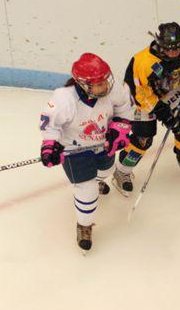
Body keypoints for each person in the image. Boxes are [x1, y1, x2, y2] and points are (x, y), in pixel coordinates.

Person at [39, 53, 133, 251]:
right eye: (99, 84)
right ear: (83, 84)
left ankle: (97, 182)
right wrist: (50, 145)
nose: (105, 86)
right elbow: (50, 125)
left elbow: (124, 106)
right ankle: (84, 225)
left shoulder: (112, 89)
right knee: (86, 189)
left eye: (106, 80)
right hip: (74, 148)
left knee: (106, 171)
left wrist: (120, 127)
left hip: (103, 143)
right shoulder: (64, 99)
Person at [112, 22, 180, 196]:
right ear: (159, 44)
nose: (174, 53)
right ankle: (121, 171)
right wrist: (165, 115)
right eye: (169, 49)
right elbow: (142, 95)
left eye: (177, 48)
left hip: (170, 90)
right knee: (143, 140)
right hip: (140, 99)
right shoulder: (144, 62)